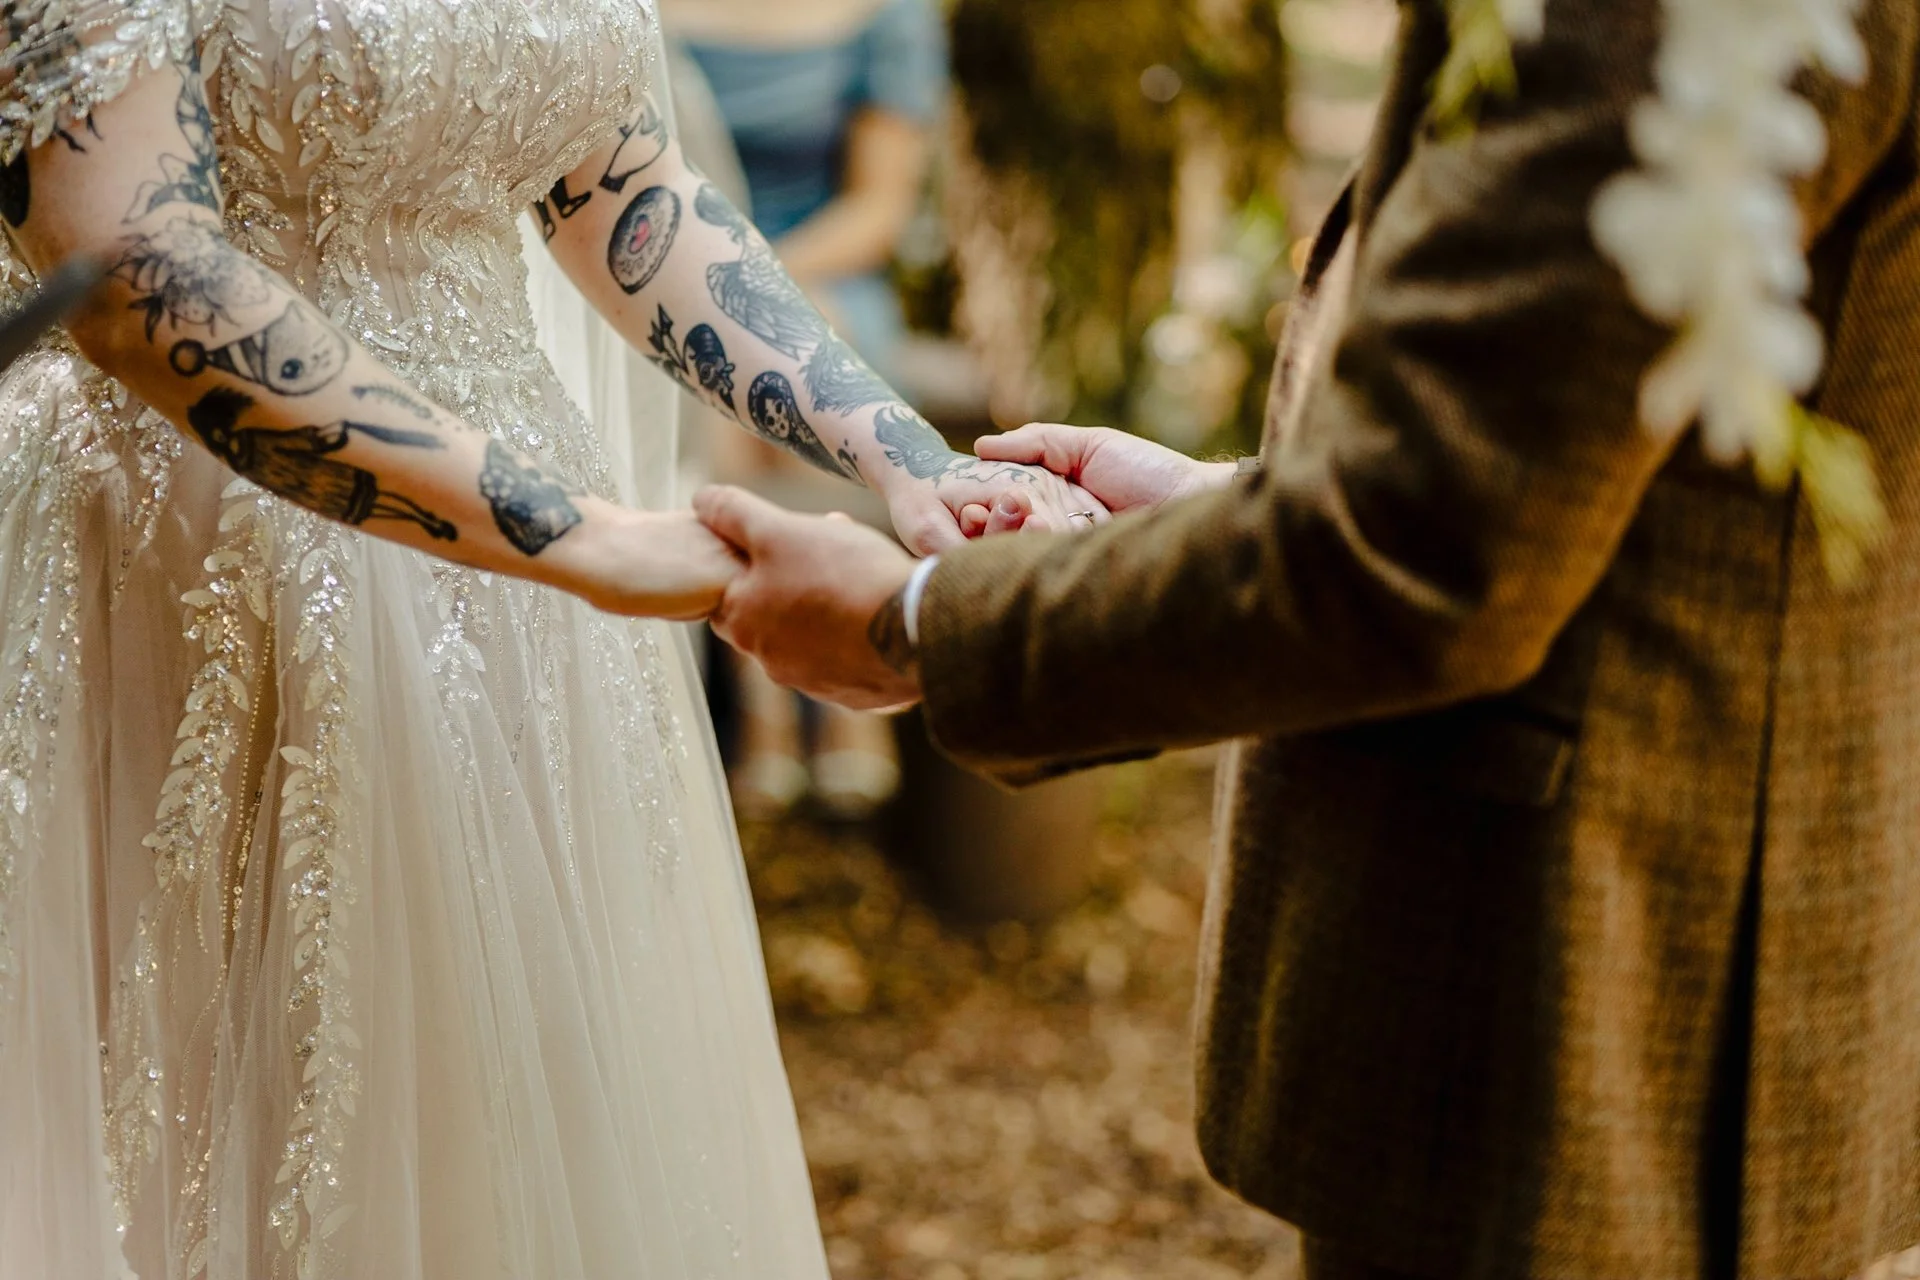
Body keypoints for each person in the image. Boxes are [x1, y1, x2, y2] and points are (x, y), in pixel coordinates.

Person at [693, 0, 1920, 1277]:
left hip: (1604, 1006)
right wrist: (1232, 500)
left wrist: (914, 628)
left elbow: (1424, 554)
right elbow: (1553, 450)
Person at [0, 2, 1099, 1276]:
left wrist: (910, 467)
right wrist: (586, 539)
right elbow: (134, 265)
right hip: (192, 564)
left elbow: (631, 198)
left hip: (536, 621)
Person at [666, 0, 950, 819]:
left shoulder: (889, 16)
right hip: (663, 271)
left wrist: (752, 286)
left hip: (821, 262)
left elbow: (878, 207)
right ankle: (777, 708)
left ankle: (830, 673)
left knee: (806, 344)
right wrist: (710, 295)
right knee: (715, 358)